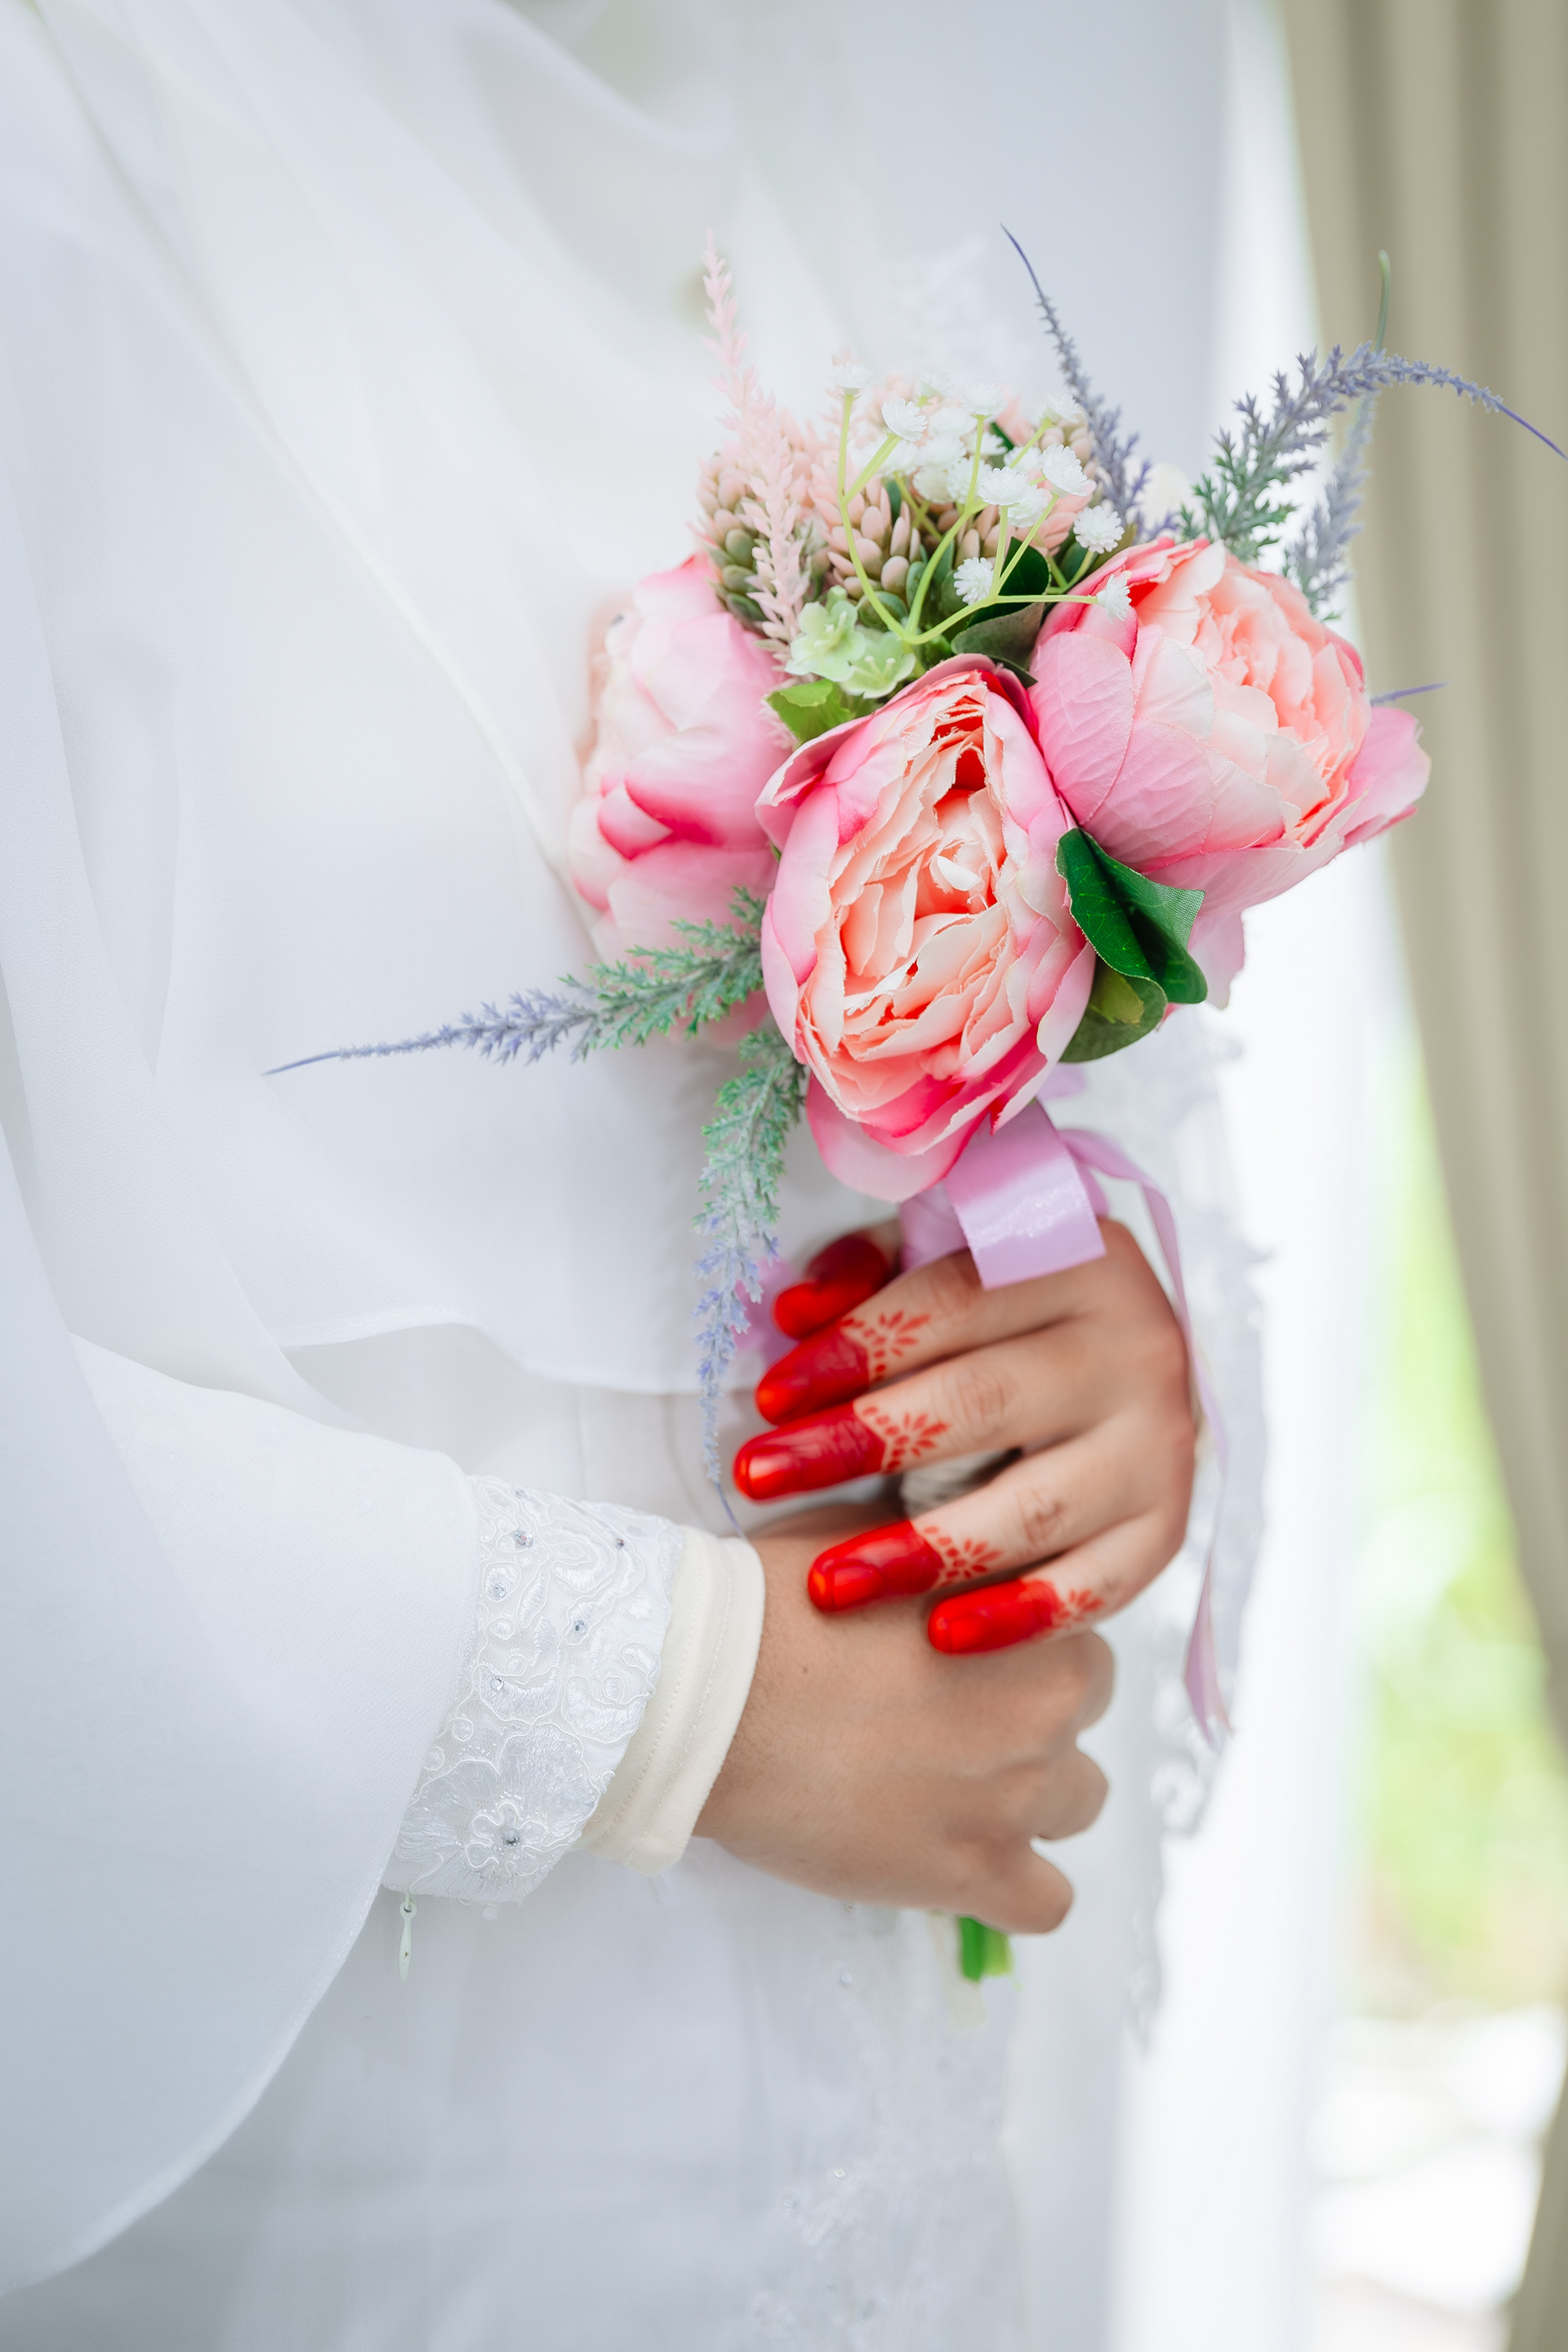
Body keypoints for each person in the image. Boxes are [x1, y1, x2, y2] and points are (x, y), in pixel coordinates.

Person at [0, 4, 1258, 2343]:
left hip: (884, 2109)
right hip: (359, 2160)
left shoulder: (796, 169)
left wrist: (1082, 1314)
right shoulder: (52, 153)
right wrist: (672, 1694)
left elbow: (983, 1118)